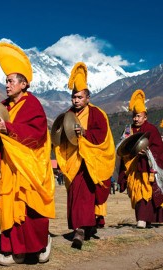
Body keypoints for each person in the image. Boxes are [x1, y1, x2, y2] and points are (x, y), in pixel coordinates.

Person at [0, 42, 55, 266]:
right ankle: (14, 250)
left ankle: (42, 243)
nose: (7, 85)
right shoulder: (3, 106)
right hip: (8, 166)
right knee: (9, 206)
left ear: (24, 84)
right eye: (6, 81)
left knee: (30, 207)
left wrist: (9, 128)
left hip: (28, 166)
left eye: (11, 81)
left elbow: (38, 134)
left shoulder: (33, 105)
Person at [54, 62, 115, 249]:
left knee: (85, 196)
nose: (76, 100)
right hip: (74, 161)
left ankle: (80, 230)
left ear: (88, 98)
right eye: (73, 97)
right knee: (75, 196)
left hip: (90, 162)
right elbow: (60, 136)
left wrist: (85, 133)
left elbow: (102, 136)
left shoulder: (98, 114)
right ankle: (83, 227)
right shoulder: (68, 114)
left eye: (80, 97)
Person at [118, 89, 163, 229]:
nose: (135, 119)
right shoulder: (128, 130)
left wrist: (148, 153)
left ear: (145, 116)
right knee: (135, 193)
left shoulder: (151, 129)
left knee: (145, 193)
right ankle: (143, 219)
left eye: (138, 116)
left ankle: (143, 220)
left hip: (146, 167)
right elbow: (122, 146)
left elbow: (159, 148)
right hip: (132, 169)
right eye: (134, 116)